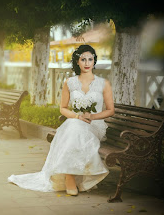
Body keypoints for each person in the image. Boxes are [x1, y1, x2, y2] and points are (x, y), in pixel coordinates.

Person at [8, 45, 115, 196]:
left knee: (75, 129)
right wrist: (77, 116)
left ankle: (69, 176)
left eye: (90, 59)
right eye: (83, 59)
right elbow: (63, 108)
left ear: (94, 61)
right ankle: (69, 176)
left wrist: (92, 116)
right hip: (75, 121)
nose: (87, 62)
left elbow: (111, 110)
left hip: (95, 125)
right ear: (77, 62)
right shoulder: (70, 82)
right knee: (74, 126)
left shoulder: (104, 83)